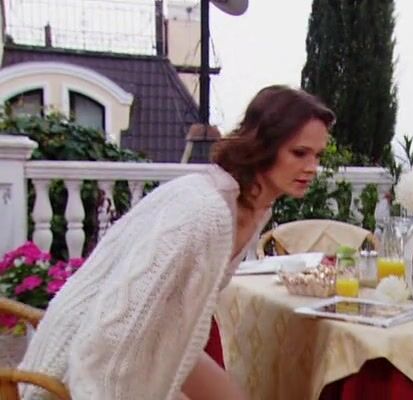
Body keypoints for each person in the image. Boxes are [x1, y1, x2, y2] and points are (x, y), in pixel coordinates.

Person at [19, 85, 335, 399]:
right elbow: (113, 330)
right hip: (74, 375)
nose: (311, 168)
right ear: (263, 145)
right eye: (299, 153)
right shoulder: (204, 209)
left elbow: (177, 328)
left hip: (159, 349)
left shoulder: (253, 208)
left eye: (317, 155)